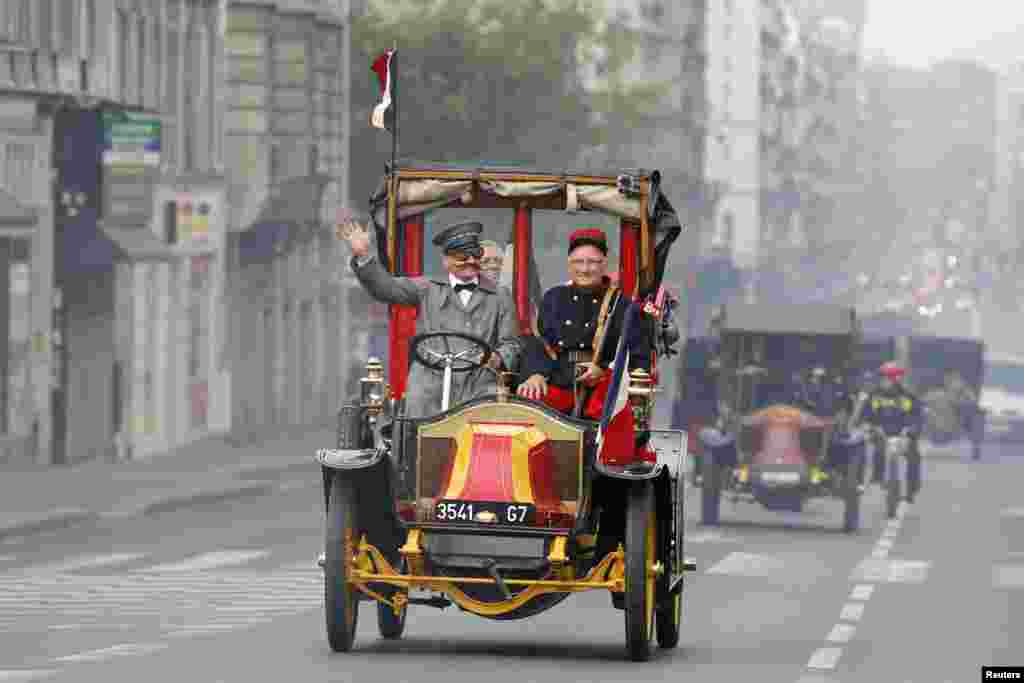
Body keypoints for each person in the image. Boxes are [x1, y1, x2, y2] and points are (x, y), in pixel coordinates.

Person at [337, 216, 521, 417]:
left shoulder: (500, 295)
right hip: (430, 382)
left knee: (492, 414)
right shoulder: (427, 289)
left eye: (475, 255)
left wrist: (498, 358)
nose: (470, 261)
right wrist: (364, 255)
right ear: (446, 260)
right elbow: (385, 289)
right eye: (462, 256)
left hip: (478, 384)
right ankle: (411, 441)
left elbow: (511, 343)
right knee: (415, 405)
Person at [516, 228, 651, 419]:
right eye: (578, 262)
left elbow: (637, 356)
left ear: (605, 264)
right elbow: (540, 342)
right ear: (569, 264)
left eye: (593, 262)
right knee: (527, 402)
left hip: (602, 390)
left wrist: (604, 372)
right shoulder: (554, 298)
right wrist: (535, 374)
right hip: (559, 379)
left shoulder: (623, 305)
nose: (585, 269)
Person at [859, 361, 925, 502]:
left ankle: (912, 488)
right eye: (884, 377)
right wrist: (868, 426)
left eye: (890, 377)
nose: (886, 380)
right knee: (870, 450)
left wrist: (912, 430)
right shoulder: (873, 396)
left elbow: (918, 416)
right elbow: (865, 415)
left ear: (897, 379)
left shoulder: (908, 396)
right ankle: (875, 478)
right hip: (879, 434)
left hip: (903, 435)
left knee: (914, 456)